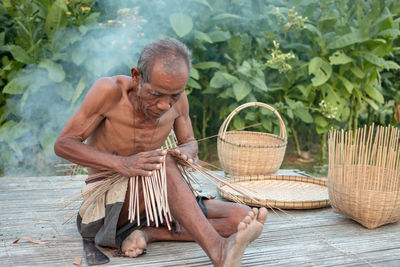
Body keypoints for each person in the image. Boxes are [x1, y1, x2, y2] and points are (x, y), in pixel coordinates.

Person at [54, 37, 267, 266]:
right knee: (162, 164)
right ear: (137, 76)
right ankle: (217, 250)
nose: (166, 105)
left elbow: (190, 142)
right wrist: (121, 164)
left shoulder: (179, 100)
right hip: (107, 212)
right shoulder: (110, 92)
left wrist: (184, 152)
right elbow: (64, 144)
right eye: (156, 94)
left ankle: (149, 233)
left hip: (154, 201)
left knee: (243, 217)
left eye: (174, 95)